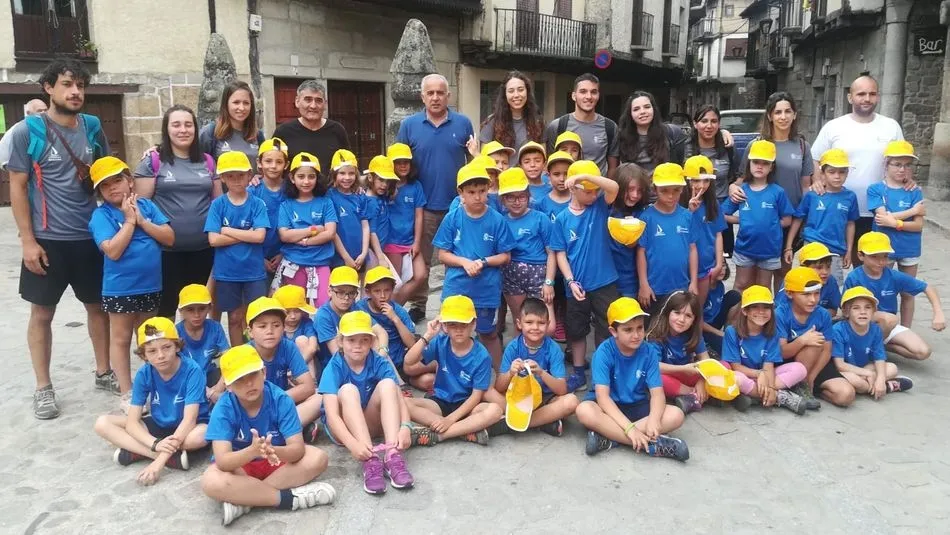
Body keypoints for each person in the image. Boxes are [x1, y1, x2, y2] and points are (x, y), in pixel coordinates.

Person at [7, 58, 111, 418]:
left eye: (81, 85)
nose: (76, 91)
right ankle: (43, 387)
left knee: (97, 308)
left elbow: (106, 176)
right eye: (68, 84)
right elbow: (18, 187)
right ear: (48, 88)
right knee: (42, 313)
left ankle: (104, 371)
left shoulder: (94, 127)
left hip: (89, 236)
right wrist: (27, 241)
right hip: (47, 240)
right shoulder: (28, 131)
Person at [200, 345, 336, 527]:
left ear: (263, 373)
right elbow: (223, 461)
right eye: (240, 380)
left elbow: (297, 450)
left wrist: (270, 450)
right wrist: (252, 452)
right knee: (211, 480)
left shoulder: (280, 399)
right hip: (241, 467)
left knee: (318, 458)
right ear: (229, 386)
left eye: (253, 375)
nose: (249, 384)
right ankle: (288, 499)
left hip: (277, 461)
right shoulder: (223, 408)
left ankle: (246, 501)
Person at [88, 156, 174, 398]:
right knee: (121, 337)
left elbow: (169, 237)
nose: (113, 187)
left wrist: (142, 221)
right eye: (105, 185)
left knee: (148, 337)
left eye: (117, 180)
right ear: (100, 192)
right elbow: (113, 251)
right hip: (120, 288)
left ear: (129, 182)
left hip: (151, 284)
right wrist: (128, 221)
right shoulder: (101, 216)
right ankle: (128, 392)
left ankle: (153, 385)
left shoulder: (146, 206)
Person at [395, 73, 476, 323]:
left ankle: (460, 302)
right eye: (430, 93)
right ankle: (419, 304)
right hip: (423, 206)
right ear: (422, 96)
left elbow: (473, 164)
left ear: (448, 95)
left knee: (460, 256)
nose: (435, 97)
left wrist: (476, 155)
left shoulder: (463, 123)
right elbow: (399, 163)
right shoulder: (409, 125)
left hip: (457, 206)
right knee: (423, 260)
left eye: (440, 92)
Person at [93, 317, 209, 485]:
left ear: (177, 346)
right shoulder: (144, 373)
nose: (161, 355)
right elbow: (133, 422)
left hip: (191, 426)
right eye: (152, 351)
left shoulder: (193, 370)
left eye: (167, 347)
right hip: (159, 425)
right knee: (102, 423)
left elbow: (189, 419)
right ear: (143, 355)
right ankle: (164, 456)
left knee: (200, 437)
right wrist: (155, 446)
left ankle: (136, 451)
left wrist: (157, 465)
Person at [575, 297, 689, 461]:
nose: (636, 335)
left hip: (637, 407)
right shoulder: (604, 352)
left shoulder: (648, 351)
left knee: (676, 414)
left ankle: (609, 439)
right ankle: (652, 445)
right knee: (584, 410)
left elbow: (657, 394)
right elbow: (603, 398)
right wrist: (630, 429)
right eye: (628, 330)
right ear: (614, 332)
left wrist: (654, 420)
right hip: (607, 408)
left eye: (640, 328)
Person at [134, 104, 220, 319]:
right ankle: (166, 351)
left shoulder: (208, 161)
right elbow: (141, 206)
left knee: (195, 310)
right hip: (165, 252)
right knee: (166, 310)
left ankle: (192, 351)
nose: (183, 130)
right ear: (167, 129)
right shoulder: (153, 161)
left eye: (188, 125)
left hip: (203, 249)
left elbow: (218, 204)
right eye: (176, 125)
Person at [810, 75, 905, 266]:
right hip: (842, 210)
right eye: (861, 94)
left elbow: (901, 159)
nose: (867, 98)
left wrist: (907, 180)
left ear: (878, 97)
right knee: (849, 263)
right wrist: (817, 180)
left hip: (881, 211)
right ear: (850, 97)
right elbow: (815, 157)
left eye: (872, 94)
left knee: (878, 266)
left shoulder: (891, 126)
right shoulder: (834, 127)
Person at [318, 311, 414, 495]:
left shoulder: (378, 361)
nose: (358, 346)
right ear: (341, 342)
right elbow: (331, 415)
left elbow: (398, 396)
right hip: (345, 431)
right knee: (347, 390)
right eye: (351, 340)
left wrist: (406, 426)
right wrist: (352, 443)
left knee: (388, 384)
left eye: (364, 340)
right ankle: (370, 461)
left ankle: (392, 453)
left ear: (371, 342)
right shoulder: (334, 366)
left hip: (369, 421)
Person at [433, 163, 516, 366]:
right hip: (457, 287)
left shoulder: (497, 220)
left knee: (488, 334)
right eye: (471, 192)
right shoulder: (452, 219)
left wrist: (484, 261)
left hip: (486, 288)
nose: (478, 197)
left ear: (488, 189)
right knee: (450, 333)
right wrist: (464, 262)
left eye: (482, 191)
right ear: (461, 192)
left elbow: (506, 256)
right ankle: (448, 374)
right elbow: (442, 255)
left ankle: (498, 376)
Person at [549, 161, 621, 391]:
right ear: (572, 189)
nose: (593, 194)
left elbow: (613, 188)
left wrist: (587, 179)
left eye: (594, 190)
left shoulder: (599, 205)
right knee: (576, 330)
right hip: (576, 284)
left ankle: (604, 371)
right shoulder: (561, 219)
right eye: (587, 191)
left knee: (605, 327)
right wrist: (570, 280)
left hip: (605, 281)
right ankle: (579, 372)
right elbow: (560, 253)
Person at [731, 92, 814, 283]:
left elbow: (806, 187)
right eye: (778, 112)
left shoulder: (802, 146)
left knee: (783, 276)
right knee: (750, 280)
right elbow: (741, 180)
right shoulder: (757, 145)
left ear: (794, 115)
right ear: (769, 116)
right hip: (761, 223)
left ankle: (778, 312)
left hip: (789, 222)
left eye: (787, 111)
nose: (783, 117)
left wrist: (804, 219)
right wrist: (732, 189)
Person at [404, 296, 503, 447]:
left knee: (495, 410)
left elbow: (476, 396)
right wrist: (428, 336)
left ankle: (439, 435)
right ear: (444, 326)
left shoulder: (482, 355)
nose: (458, 329)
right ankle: (465, 431)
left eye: (464, 324)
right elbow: (409, 361)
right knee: (403, 403)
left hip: (467, 405)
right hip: (440, 402)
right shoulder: (440, 341)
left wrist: (449, 420)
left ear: (473, 324)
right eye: (452, 324)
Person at [844, 232, 945, 360]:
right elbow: (845, 310)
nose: (881, 261)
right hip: (862, 322)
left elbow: (927, 288)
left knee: (923, 352)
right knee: (890, 319)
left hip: (888, 326)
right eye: (874, 256)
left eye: (885, 256)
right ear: (860, 256)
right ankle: (868, 348)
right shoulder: (854, 277)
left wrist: (938, 313)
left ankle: (879, 346)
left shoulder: (893, 276)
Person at [205, 151, 270, 345]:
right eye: (230, 175)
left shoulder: (257, 203)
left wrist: (227, 230)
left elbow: (259, 236)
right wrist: (245, 234)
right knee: (233, 317)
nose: (236, 180)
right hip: (227, 272)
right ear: (222, 178)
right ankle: (238, 355)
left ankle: (258, 355)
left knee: (256, 317)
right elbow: (213, 240)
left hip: (254, 271)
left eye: (241, 175)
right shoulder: (218, 205)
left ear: (249, 175)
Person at [493, 298, 578, 436]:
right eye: (529, 322)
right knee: (488, 393)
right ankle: (543, 423)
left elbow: (562, 389)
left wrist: (541, 373)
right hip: (519, 397)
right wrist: (510, 373)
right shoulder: (513, 347)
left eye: (541, 323)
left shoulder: (553, 349)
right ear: (519, 324)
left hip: (545, 399)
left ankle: (513, 424)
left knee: (571, 402)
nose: (535, 328)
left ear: (548, 324)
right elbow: (499, 387)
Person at [721, 140, 794, 293]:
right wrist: (742, 220)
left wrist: (770, 223)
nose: (760, 166)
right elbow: (722, 214)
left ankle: (761, 316)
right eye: (756, 162)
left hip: (770, 250)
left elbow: (787, 220)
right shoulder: (741, 191)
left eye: (765, 163)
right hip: (744, 248)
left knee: (763, 288)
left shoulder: (778, 192)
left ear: (771, 166)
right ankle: (735, 317)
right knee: (741, 285)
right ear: (749, 164)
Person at [721, 286, 808, 414]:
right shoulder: (732, 332)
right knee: (735, 378)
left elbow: (769, 366)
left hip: (765, 377)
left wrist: (771, 387)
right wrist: (758, 374)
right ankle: (780, 397)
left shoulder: (772, 333)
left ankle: (755, 395)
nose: (761, 312)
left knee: (799, 369)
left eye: (766, 307)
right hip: (745, 374)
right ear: (745, 311)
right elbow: (736, 367)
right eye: (755, 307)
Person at [777, 267, 855, 408]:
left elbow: (827, 350)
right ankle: (797, 385)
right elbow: (781, 352)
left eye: (816, 294)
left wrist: (811, 378)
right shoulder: (780, 314)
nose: (813, 300)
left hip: (815, 364)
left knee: (846, 395)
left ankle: (806, 387)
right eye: (806, 295)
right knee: (813, 341)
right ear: (789, 293)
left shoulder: (823, 314)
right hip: (786, 364)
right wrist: (802, 340)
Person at [866, 141, 926, 327]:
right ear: (887, 164)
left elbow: (918, 226)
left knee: (908, 292)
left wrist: (895, 223)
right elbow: (881, 217)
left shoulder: (914, 191)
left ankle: (906, 329)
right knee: (882, 288)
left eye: (907, 165)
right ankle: (880, 327)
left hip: (909, 247)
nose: (903, 169)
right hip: (884, 248)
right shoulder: (876, 189)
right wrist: (911, 212)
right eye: (897, 164)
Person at [785, 148, 859, 287]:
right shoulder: (812, 195)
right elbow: (798, 219)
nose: (837, 176)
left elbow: (850, 223)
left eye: (842, 172)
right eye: (832, 172)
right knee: (807, 284)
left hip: (835, 250)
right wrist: (789, 246)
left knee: (833, 286)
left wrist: (849, 250)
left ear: (847, 173)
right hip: (812, 245)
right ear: (823, 173)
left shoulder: (850, 197)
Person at [275, 152, 338, 307]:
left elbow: (330, 233)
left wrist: (303, 241)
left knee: (323, 306)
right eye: (301, 176)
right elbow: (284, 235)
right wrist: (314, 229)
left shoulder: (326, 203)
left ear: (317, 178)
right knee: (295, 308)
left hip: (321, 262)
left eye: (311, 177)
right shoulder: (286, 205)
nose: (306, 181)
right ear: (292, 178)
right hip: (294, 263)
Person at [637, 163, 698, 317]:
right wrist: (644, 284)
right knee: (653, 331)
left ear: (682, 189)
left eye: (676, 190)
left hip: (681, 287)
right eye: (664, 191)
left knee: (677, 328)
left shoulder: (687, 216)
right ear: (655, 189)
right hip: (654, 289)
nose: (670, 196)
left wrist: (694, 282)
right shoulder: (647, 217)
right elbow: (641, 252)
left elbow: (692, 249)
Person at [497, 167, 556, 328]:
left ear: (528, 195)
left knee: (547, 327)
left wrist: (549, 282)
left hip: (538, 273)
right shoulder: (501, 221)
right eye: (511, 198)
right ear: (503, 199)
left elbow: (552, 253)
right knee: (521, 323)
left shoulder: (540, 219)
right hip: (511, 275)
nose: (517, 202)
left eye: (521, 196)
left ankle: (544, 353)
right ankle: (521, 352)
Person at [832, 286, 914, 399]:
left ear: (874, 311)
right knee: (856, 382)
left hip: (865, 367)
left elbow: (879, 358)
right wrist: (868, 374)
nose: (862, 312)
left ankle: (876, 385)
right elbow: (840, 365)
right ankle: (887, 386)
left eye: (868, 307)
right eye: (856, 308)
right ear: (846, 312)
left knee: (892, 368)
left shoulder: (875, 329)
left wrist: (880, 378)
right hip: (846, 370)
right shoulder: (838, 330)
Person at [355, 267, 427, 389]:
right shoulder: (359, 308)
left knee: (427, 381)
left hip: (399, 362)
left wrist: (395, 319)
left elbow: (412, 344)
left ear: (393, 290)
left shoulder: (399, 311)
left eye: (387, 290)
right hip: (373, 361)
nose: (382, 296)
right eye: (377, 291)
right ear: (368, 292)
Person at [685, 105, 740, 256]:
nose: (709, 126)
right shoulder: (683, 147)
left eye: (714, 121)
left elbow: (738, 176)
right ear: (695, 124)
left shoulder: (727, 148)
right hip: (692, 209)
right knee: (692, 252)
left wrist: (734, 185)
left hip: (720, 210)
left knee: (721, 258)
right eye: (704, 121)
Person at [316, 267, 391, 371]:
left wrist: (382, 354)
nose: (346, 298)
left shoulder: (355, 308)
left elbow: (381, 332)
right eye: (341, 292)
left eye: (351, 293)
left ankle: (398, 382)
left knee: (375, 340)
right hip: (336, 364)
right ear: (329, 291)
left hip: (359, 355)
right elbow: (336, 352)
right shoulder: (323, 315)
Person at [543, 73, 619, 177]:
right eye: (583, 92)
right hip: (566, 190)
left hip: (598, 192)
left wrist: (609, 192)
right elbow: (550, 164)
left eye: (593, 92)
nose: (589, 96)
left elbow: (613, 168)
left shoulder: (610, 127)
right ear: (574, 96)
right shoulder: (558, 126)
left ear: (598, 95)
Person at [647, 291, 709, 415]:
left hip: (687, 374)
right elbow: (654, 366)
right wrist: (683, 369)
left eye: (688, 316)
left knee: (724, 366)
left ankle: (694, 397)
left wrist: (702, 380)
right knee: (655, 378)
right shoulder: (656, 335)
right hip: (669, 375)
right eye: (677, 313)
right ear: (667, 313)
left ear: (694, 320)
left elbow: (706, 360)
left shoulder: (693, 335)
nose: (681, 319)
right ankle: (695, 394)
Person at [681, 155, 726, 310]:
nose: (701, 185)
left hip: (705, 267)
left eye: (706, 180)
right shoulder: (678, 206)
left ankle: (698, 335)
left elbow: (718, 234)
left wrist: (719, 263)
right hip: (683, 268)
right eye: (696, 180)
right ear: (686, 180)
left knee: (697, 311)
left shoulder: (713, 204)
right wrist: (689, 210)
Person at [386, 143, 429, 304]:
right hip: (391, 241)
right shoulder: (385, 186)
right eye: (398, 162)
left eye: (406, 161)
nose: (403, 165)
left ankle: (394, 311)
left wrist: (417, 242)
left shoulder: (415, 186)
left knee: (420, 275)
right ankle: (390, 316)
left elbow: (419, 216)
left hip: (410, 241)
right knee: (395, 283)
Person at [272, 79, 349, 165]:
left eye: (318, 100)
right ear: (297, 101)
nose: (313, 106)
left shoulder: (337, 130)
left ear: (325, 104)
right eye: (308, 100)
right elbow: (273, 163)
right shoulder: (283, 131)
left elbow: (348, 164)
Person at [175, 284, 229, 400]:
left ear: (210, 308)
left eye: (202, 309)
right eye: (190, 309)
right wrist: (210, 393)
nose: (197, 315)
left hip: (210, 376)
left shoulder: (215, 328)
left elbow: (228, 358)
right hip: (185, 379)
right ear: (181, 311)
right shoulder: (176, 332)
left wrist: (219, 387)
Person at [617, 91, 688, 175]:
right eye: (636, 109)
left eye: (647, 107)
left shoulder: (672, 133)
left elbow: (680, 165)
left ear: (654, 109)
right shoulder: (621, 137)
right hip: (635, 187)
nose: (642, 111)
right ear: (630, 114)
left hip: (664, 185)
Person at [199, 80, 265, 169]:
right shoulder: (210, 133)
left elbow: (265, 166)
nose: (241, 108)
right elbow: (196, 166)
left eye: (246, 103)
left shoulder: (258, 135)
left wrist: (260, 175)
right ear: (226, 104)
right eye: (236, 102)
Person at [610, 163, 650, 300]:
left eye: (640, 190)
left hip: (632, 283)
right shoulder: (607, 210)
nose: (635, 195)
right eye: (630, 189)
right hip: (608, 281)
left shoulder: (643, 214)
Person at [478, 71, 545, 151]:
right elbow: (484, 158)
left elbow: (543, 156)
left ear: (527, 92)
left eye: (520, 90)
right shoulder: (492, 123)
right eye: (511, 91)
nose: (516, 95)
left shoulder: (538, 122)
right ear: (505, 95)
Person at [328, 149, 370, 271]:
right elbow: (332, 232)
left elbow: (365, 226)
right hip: (340, 258)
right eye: (342, 173)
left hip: (360, 257)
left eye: (351, 173)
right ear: (334, 174)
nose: (347, 177)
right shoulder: (329, 197)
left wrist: (364, 253)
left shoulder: (360, 196)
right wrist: (346, 257)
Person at [776, 243, 842, 318]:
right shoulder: (792, 281)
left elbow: (833, 309)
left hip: (818, 323)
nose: (825, 272)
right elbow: (779, 313)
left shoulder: (830, 281)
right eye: (819, 268)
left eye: (828, 267)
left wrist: (815, 318)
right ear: (804, 267)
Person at [362, 155, 400, 273]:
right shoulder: (371, 203)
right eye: (381, 180)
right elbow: (372, 232)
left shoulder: (380, 196)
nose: (384, 185)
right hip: (374, 253)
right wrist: (380, 258)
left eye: (388, 181)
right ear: (370, 177)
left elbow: (394, 192)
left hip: (381, 249)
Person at [273, 284, 318, 369]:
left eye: (297, 311)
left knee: (302, 340)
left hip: (305, 363)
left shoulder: (306, 323)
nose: (293, 316)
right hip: (281, 365)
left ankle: (312, 381)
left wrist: (296, 368)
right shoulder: (276, 326)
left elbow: (313, 348)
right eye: (288, 312)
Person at [701, 264, 741, 357]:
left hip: (714, 321)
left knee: (734, 295)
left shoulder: (719, 285)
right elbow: (697, 320)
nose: (722, 269)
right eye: (716, 266)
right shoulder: (702, 288)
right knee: (725, 347)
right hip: (700, 328)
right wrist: (720, 333)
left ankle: (730, 331)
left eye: (723, 265)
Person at [0, 98, 47, 169]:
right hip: (11, 163)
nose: (44, 113)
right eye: (39, 111)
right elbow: (30, 151)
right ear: (28, 113)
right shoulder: (24, 128)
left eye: (45, 110)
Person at [517, 141, 551, 207]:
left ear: (544, 164)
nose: (532, 165)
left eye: (537, 161)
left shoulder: (551, 187)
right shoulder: (517, 189)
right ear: (520, 166)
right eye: (527, 162)